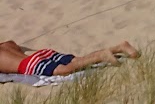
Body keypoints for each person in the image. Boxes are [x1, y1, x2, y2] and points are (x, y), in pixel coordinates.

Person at [0, 38, 139, 77]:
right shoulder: (7, 44)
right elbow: (13, 45)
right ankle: (119, 47)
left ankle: (102, 56)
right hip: (40, 54)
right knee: (78, 60)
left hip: (27, 64)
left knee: (65, 70)